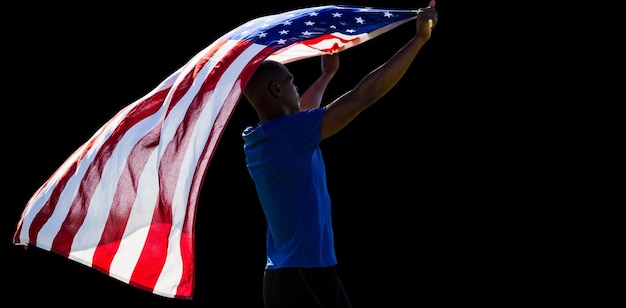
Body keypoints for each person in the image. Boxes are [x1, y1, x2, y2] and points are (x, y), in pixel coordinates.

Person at [241, 1, 437, 307]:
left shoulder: (260, 138)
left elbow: (301, 111)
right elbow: (364, 95)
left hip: (285, 276)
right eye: (291, 82)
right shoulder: (291, 135)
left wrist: (326, 76)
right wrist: (417, 41)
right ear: (276, 91)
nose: (296, 87)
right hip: (306, 276)